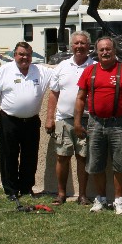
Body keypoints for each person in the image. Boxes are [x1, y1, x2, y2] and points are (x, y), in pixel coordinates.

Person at [74, 36, 122, 215]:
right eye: (101, 50)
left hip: (119, 124)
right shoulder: (90, 71)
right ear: (97, 52)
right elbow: (80, 98)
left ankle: (119, 200)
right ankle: (100, 198)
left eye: (108, 49)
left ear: (114, 51)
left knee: (121, 164)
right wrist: (77, 122)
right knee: (96, 163)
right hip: (95, 123)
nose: (105, 52)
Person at [0, 41, 53, 200]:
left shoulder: (40, 71)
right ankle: (11, 190)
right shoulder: (5, 70)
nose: (25, 57)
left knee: (30, 157)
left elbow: (59, 78)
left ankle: (26, 188)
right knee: (8, 155)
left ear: (32, 56)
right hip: (9, 121)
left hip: (31, 122)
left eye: (28, 55)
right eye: (21, 54)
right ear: (14, 55)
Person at [45, 31, 94, 206]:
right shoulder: (62, 66)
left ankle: (82, 195)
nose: (79, 46)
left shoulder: (94, 67)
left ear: (89, 46)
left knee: (83, 157)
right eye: (76, 43)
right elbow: (54, 94)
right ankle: (61, 193)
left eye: (83, 43)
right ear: (71, 46)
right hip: (63, 119)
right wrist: (50, 118)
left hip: (86, 120)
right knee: (62, 157)